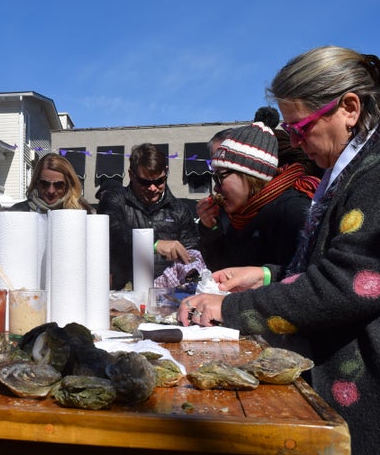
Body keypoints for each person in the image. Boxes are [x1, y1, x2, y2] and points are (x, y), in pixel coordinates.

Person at [178, 46, 380, 455]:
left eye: (301, 128)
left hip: (360, 393)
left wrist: (230, 308)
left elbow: (348, 282)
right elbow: (324, 263)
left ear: (350, 109)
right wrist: (266, 274)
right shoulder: (346, 174)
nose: (296, 141)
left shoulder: (372, 176)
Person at [197, 122, 317, 271]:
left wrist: (265, 277)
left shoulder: (293, 211)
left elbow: (307, 280)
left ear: (249, 174)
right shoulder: (241, 215)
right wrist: (210, 229)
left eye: (220, 177)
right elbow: (222, 269)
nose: (216, 187)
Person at [98, 143, 199, 289]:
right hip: (123, 294)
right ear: (132, 175)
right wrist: (155, 243)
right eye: (145, 182)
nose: (152, 188)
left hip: (168, 297)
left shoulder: (180, 210)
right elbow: (112, 230)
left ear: (166, 172)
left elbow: (193, 255)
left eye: (159, 181)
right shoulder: (115, 199)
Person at [9, 152, 95, 213]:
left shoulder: (84, 212)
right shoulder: (18, 212)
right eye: (44, 184)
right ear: (36, 183)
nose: (51, 191)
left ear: (68, 185)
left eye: (59, 185)